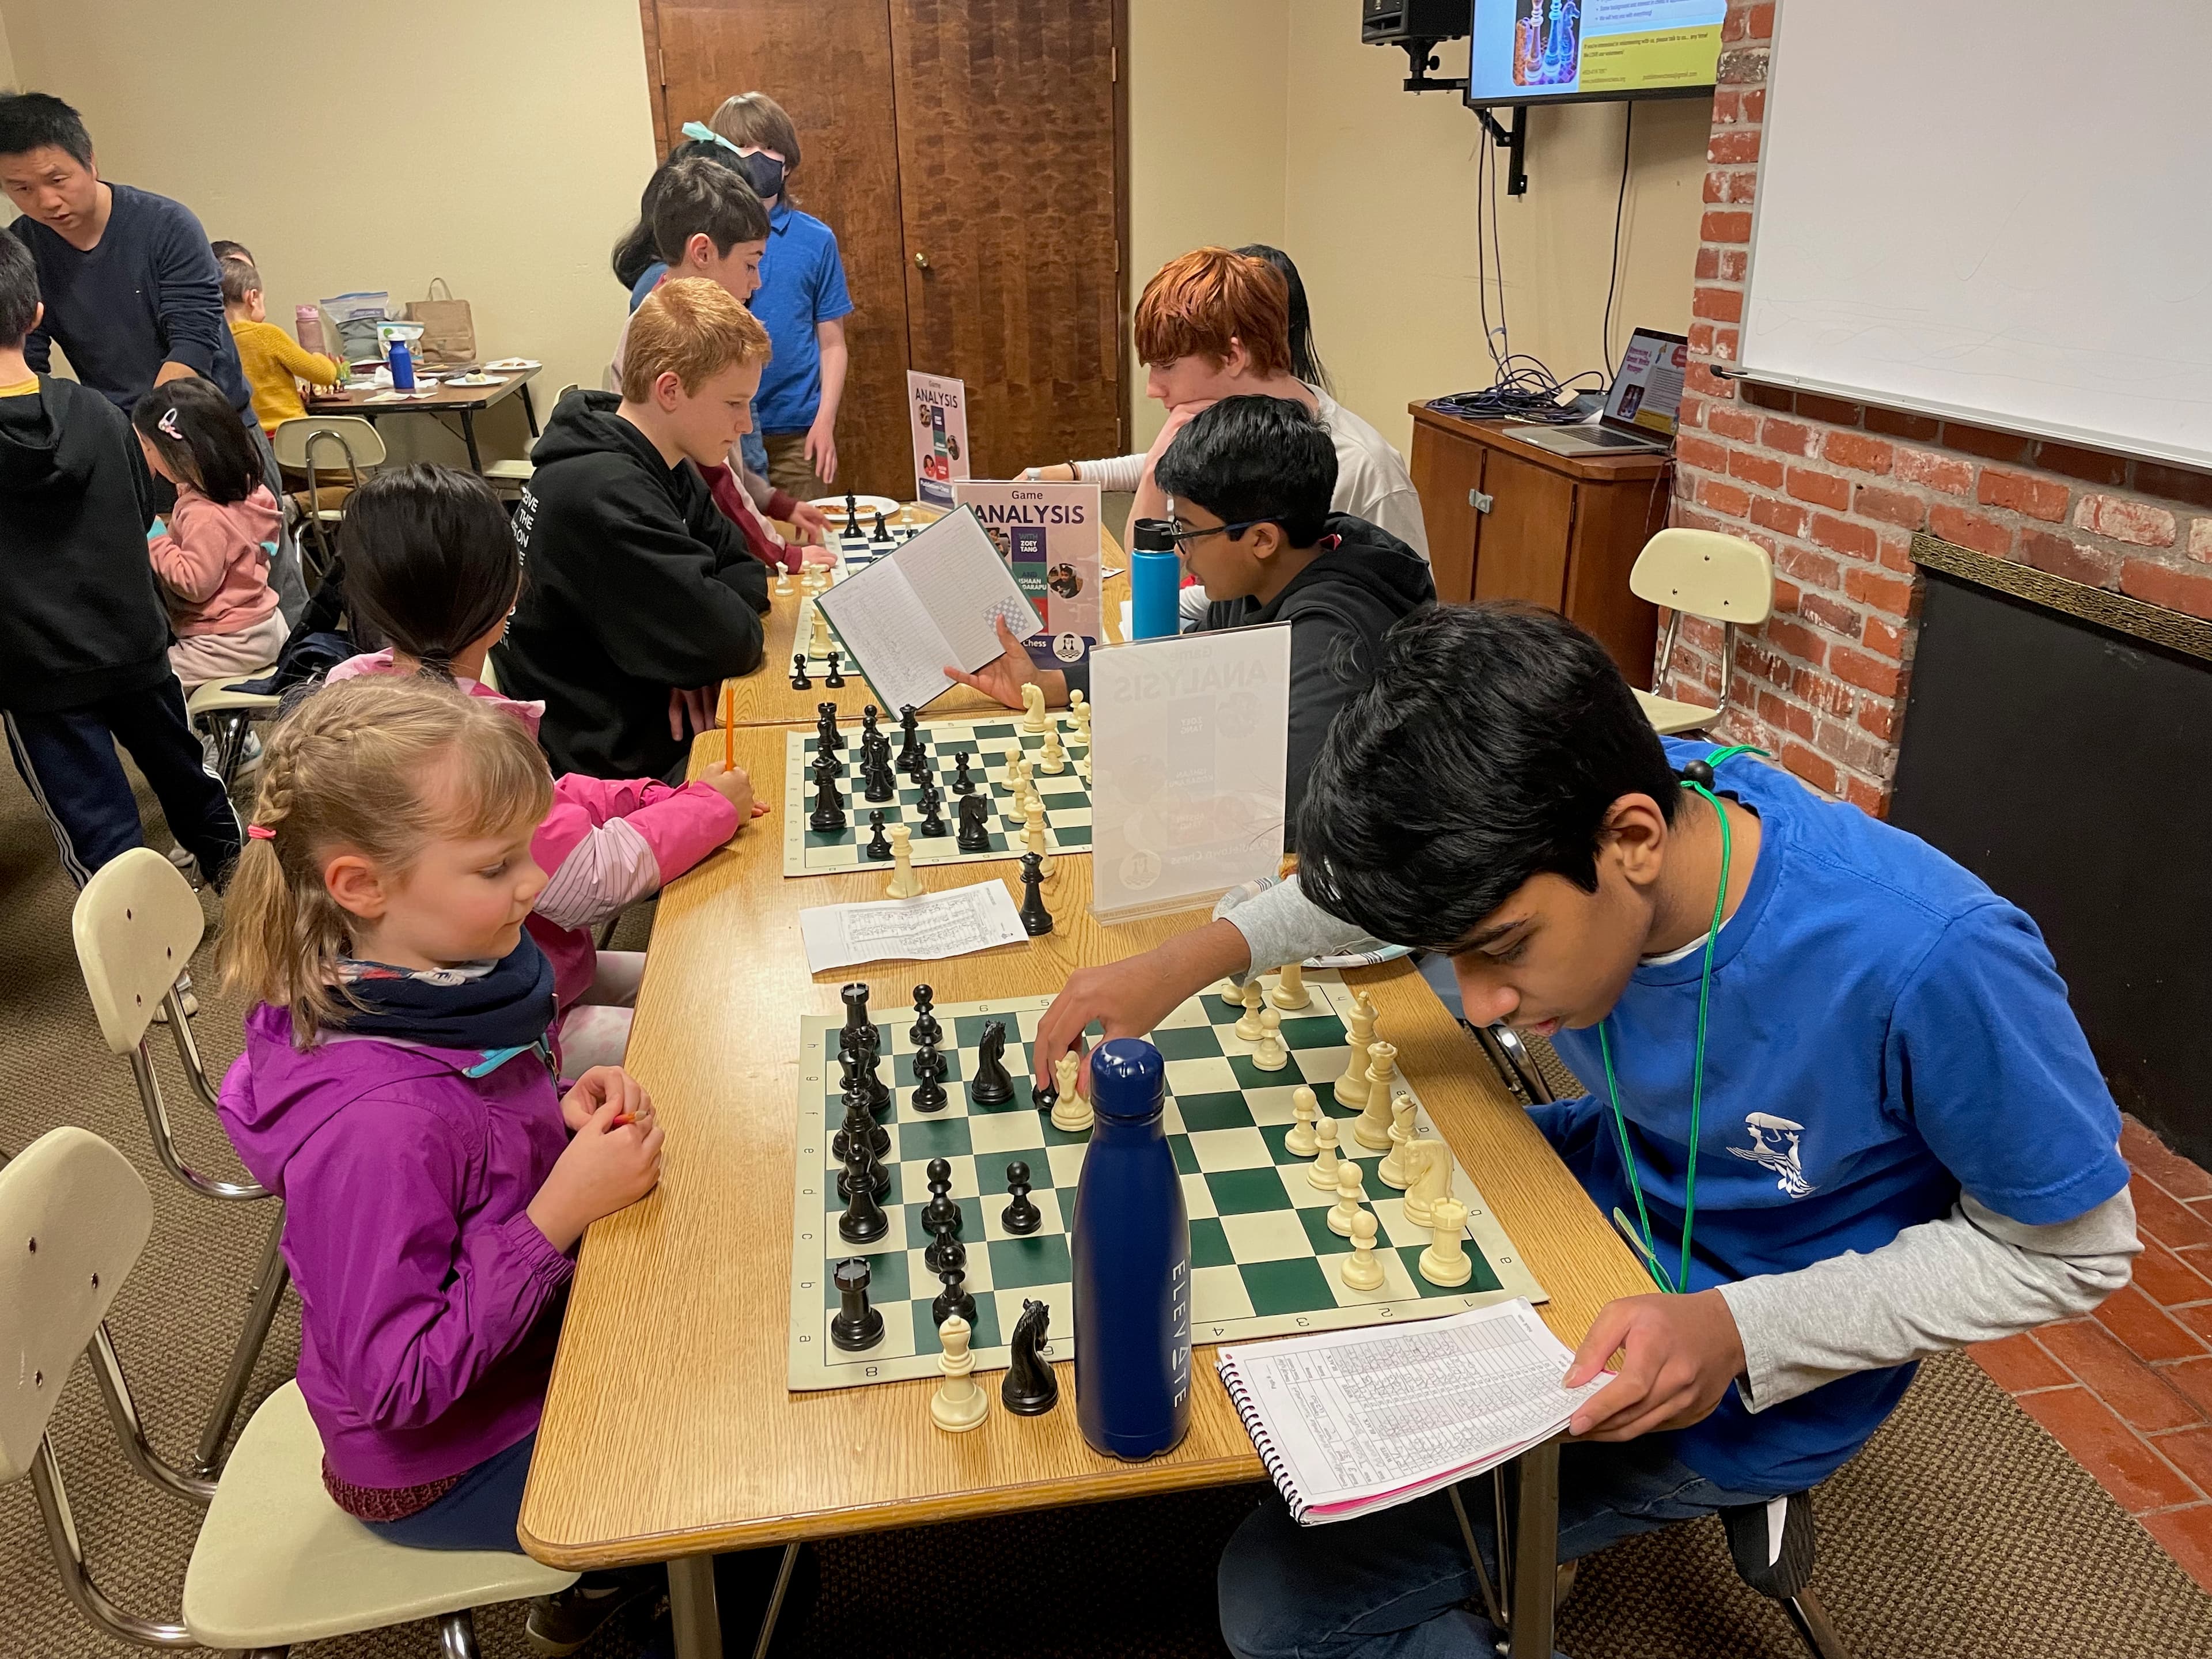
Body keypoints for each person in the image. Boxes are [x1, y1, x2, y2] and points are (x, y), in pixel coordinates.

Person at [1027, 603, 2137, 1658]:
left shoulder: (1933, 957)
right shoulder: (1608, 816)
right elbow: (1397, 892)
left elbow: (2071, 1250)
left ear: (1634, 841)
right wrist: (1183, 961)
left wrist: (1745, 1330)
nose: (1481, 1000)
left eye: (1505, 948)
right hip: (1591, 1194)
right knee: (1249, 1289)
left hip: (1740, 1348)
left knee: (1277, 1601)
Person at [213, 673, 671, 1650]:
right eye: (496, 866)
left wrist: (559, 1118)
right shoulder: (376, 1125)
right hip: (439, 1461)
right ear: (361, 886)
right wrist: (557, 1215)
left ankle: (615, 1585)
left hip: (519, 1358)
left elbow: (473, 1161)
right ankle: (637, 1599)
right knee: (719, 1467)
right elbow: (399, 1379)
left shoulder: (435, 988)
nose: (533, 885)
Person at [324, 462, 757, 1075]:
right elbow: (588, 883)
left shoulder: (365, 689)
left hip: (516, 974)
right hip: (499, 1025)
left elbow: (548, 805)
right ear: (506, 598)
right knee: (713, 1031)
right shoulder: (462, 741)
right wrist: (713, 809)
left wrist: (639, 798)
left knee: (706, 978)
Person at [949, 395, 1433, 832]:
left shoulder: (1330, 643)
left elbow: (1290, 817)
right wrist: (1047, 684)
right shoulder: (1261, 575)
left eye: (1189, 532)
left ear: (1262, 539)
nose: (1180, 554)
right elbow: (1178, 671)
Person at [0, 230, 241, 888]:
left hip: (39, 670)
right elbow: (141, 515)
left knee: (97, 830)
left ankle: (155, 984)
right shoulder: (105, 416)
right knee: (190, 781)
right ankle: (252, 901)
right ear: (37, 315)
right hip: (136, 642)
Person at [496, 278, 771, 783]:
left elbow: (744, 568)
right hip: (603, 774)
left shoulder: (654, 457)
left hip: (636, 729)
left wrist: (687, 650)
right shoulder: (604, 492)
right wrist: (694, 641)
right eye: (734, 403)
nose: (746, 424)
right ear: (670, 390)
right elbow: (735, 639)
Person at [1024, 245, 1423, 561]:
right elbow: (1147, 574)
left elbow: (1412, 614)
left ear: (1233, 357)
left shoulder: (1366, 469)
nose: (1153, 388)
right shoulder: (1218, 431)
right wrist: (1153, 474)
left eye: (1166, 366)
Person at [613, 151, 832, 560]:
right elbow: (715, 478)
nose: (757, 282)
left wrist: (772, 501)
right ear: (703, 253)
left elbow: (727, 467)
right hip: (696, 545)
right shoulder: (679, 333)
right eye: (751, 265)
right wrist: (784, 554)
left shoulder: (679, 313)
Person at [707, 91, 850, 498]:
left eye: (768, 146)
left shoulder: (816, 239)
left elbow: (833, 341)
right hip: (721, 427)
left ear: (787, 158)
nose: (756, 156)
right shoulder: (704, 245)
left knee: (804, 549)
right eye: (743, 146)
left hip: (796, 431)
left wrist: (825, 421)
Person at [132, 376, 286, 695]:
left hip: (224, 643)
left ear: (178, 453)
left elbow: (195, 584)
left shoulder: (204, 513)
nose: (145, 456)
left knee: (153, 685)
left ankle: (213, 745)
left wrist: (155, 534)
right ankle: (238, 739)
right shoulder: (250, 491)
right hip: (266, 625)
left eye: (147, 448)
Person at [222, 259, 344, 435]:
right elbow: (324, 375)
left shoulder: (216, 341)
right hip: (289, 436)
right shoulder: (267, 335)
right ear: (252, 297)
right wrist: (319, 356)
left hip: (245, 439)